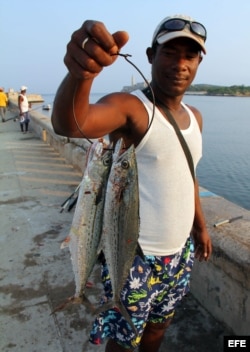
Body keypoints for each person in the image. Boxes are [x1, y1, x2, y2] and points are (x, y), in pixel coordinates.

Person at [51, 14, 212, 352]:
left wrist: (200, 226)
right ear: (151, 56)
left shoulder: (195, 117)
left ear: (199, 61)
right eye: (169, 53)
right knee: (124, 337)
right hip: (134, 256)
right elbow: (72, 123)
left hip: (179, 253)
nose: (180, 64)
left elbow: (189, 175)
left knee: (160, 325)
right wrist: (82, 75)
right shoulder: (132, 108)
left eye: (190, 55)